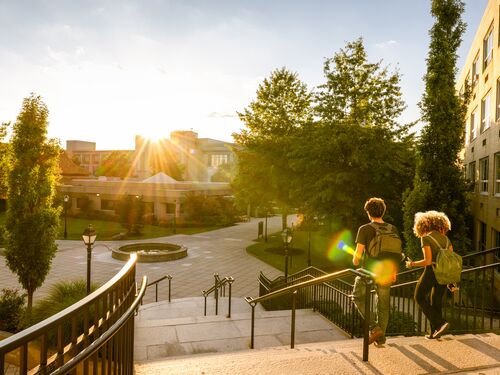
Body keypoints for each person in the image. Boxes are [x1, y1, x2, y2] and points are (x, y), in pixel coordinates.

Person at [352, 197, 402, 346]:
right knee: (383, 306)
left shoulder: (365, 229)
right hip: (387, 272)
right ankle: (380, 339)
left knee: (357, 297)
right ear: (383, 211)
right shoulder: (393, 229)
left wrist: (355, 261)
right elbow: (396, 252)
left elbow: (357, 255)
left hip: (368, 272)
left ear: (368, 212)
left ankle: (374, 328)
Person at [406, 210, 453, 339]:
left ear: (424, 225)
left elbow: (427, 261)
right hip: (444, 274)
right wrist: (451, 282)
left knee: (419, 297)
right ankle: (434, 332)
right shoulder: (447, 239)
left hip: (431, 271)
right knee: (436, 301)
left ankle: (441, 323)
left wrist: (412, 264)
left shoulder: (426, 238)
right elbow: (450, 261)